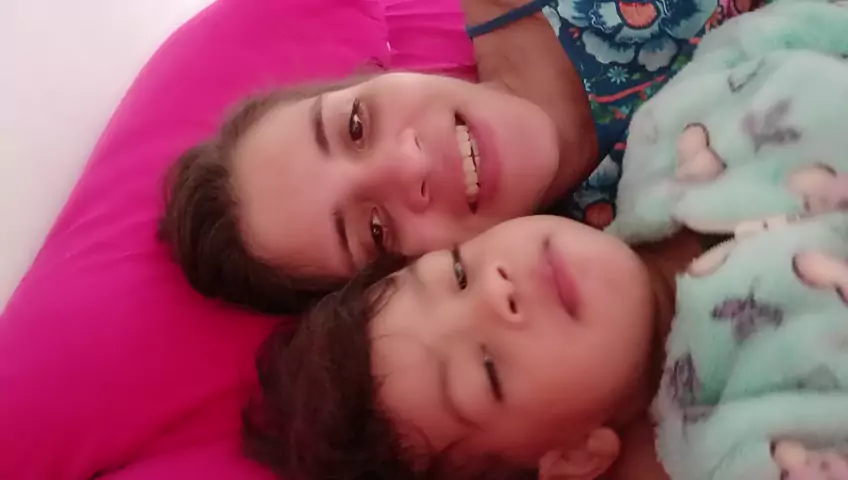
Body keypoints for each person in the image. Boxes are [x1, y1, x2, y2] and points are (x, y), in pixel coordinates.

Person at [241, 1, 848, 478]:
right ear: (576, 456)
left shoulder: (667, 131)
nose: (495, 290)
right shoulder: (748, 443)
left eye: (458, 273)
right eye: (486, 371)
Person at [159, 0, 757, 315]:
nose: (408, 165)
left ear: (373, 76)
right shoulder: (611, 286)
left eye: (356, 125)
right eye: (374, 230)